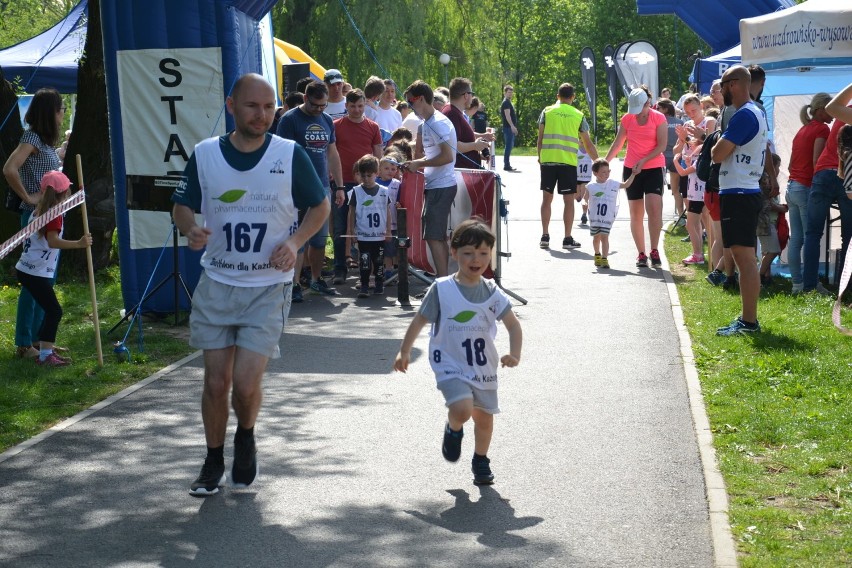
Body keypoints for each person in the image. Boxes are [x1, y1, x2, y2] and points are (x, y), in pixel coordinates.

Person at [172, 74, 330, 496]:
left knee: (243, 385)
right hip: (218, 282)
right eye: (252, 107)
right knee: (214, 382)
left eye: (269, 107)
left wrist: (296, 243)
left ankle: (245, 434)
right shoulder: (206, 154)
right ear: (231, 105)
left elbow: (320, 204)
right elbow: (182, 205)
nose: (262, 115)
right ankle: (211, 461)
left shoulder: (288, 154)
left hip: (267, 287)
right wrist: (191, 229)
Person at [393, 218, 522, 485]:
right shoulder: (442, 289)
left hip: (483, 367)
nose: (476, 259)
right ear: (454, 253)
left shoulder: (493, 293)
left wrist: (514, 353)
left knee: (484, 419)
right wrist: (404, 351)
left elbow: (513, 325)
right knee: (463, 410)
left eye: (483, 253)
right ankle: (454, 428)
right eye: (468, 253)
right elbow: (419, 320)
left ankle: (481, 460)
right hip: (449, 363)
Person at [2, 87, 64, 360]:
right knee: (34, 282)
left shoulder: (47, 142)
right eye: (60, 109)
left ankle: (42, 341)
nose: (63, 114)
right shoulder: (32, 138)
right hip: (36, 217)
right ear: (50, 112)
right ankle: (24, 343)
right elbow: (9, 168)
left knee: (45, 281)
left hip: (50, 217)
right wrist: (27, 196)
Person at [711, 65, 770, 336]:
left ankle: (749, 322)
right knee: (743, 256)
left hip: (740, 192)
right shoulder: (755, 111)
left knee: (744, 258)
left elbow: (717, 153)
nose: (721, 90)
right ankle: (748, 319)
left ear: (733, 84)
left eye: (723, 84)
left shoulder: (744, 114)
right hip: (742, 190)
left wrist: (715, 145)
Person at [276, 80, 345, 299]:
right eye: (315, 105)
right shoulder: (289, 120)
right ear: (305, 98)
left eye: (323, 105)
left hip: (322, 187)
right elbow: (281, 156)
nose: (319, 109)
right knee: (298, 238)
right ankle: (294, 284)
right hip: (296, 189)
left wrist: (340, 186)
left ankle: (316, 279)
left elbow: (332, 153)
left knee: (319, 239)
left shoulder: (326, 120)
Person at [15, 171, 92, 366]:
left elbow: (65, 207)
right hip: (34, 273)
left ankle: (44, 347)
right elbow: (53, 241)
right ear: (64, 193)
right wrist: (79, 243)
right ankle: (45, 355)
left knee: (49, 309)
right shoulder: (53, 216)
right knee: (54, 311)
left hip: (28, 269)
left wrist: (80, 196)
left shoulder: (41, 209)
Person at [604, 86, 667, 268]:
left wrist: (644, 160)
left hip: (653, 167)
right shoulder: (627, 118)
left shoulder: (658, 117)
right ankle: (641, 253)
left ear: (648, 103)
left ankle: (654, 249)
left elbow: (662, 146)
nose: (637, 114)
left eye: (640, 109)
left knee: (654, 209)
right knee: (636, 213)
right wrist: (604, 162)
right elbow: (618, 144)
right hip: (632, 170)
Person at [400, 80, 457, 278]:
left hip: (442, 186)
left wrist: (419, 165)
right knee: (434, 236)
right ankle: (442, 281)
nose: (409, 106)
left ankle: (442, 282)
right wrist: (415, 163)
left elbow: (447, 157)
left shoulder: (438, 124)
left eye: (410, 102)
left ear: (421, 99)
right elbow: (433, 155)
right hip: (436, 185)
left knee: (434, 236)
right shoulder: (428, 123)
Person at [536, 83, 598, 250]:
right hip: (568, 163)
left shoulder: (547, 112)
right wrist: (598, 162)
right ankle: (567, 238)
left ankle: (545, 236)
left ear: (558, 96)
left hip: (548, 161)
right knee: (568, 201)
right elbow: (588, 143)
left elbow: (540, 139)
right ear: (573, 97)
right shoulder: (578, 115)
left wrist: (539, 157)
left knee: (546, 200)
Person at [331, 88, 383, 285]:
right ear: (346, 106)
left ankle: (367, 268)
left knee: (366, 226)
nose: (356, 109)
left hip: (366, 184)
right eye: (352, 106)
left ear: (364, 105)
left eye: (360, 105)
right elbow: (331, 152)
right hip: (342, 182)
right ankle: (339, 268)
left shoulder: (373, 127)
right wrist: (336, 182)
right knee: (340, 226)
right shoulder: (335, 126)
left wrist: (377, 180)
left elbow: (378, 154)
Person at [786, 93, 831, 293]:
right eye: (830, 109)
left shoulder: (802, 129)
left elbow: (790, 163)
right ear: (821, 109)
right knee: (810, 237)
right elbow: (817, 162)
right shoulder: (822, 129)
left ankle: (797, 284)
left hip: (792, 186)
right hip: (805, 187)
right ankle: (811, 284)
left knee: (796, 239)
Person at [348, 155, 392, 297]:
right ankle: (365, 285)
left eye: (369, 175)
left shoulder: (384, 191)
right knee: (364, 261)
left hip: (378, 235)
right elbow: (352, 212)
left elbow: (388, 211)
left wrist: (388, 230)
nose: (366, 179)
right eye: (363, 176)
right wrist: (352, 232)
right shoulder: (356, 191)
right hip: (363, 235)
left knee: (379, 261)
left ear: (376, 174)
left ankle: (379, 283)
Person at [586, 159, 636, 269]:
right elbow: (585, 199)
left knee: (605, 237)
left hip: (607, 218)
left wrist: (633, 174)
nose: (606, 174)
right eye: (603, 172)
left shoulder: (613, 184)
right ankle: (597, 254)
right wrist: (584, 204)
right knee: (596, 238)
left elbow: (626, 185)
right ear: (595, 173)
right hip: (595, 218)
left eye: (608, 171)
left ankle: (604, 259)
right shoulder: (590, 186)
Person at [673, 136, 709, 265]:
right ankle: (700, 253)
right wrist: (688, 163)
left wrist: (675, 161)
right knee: (699, 224)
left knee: (690, 224)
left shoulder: (700, 157)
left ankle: (697, 255)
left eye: (693, 143)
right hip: (698, 194)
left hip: (698, 196)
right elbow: (692, 172)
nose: (690, 146)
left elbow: (683, 173)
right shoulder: (698, 158)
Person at [444, 77, 491, 169]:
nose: (472, 97)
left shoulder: (454, 112)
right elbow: (453, 146)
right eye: (471, 94)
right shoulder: (452, 114)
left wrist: (476, 153)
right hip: (462, 173)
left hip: (465, 169)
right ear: (466, 95)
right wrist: (475, 146)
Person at [758, 154, 787, 288]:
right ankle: (759, 276)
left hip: (768, 220)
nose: (778, 170)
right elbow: (768, 203)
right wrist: (781, 208)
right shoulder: (766, 180)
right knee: (773, 250)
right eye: (777, 166)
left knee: (767, 250)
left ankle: (766, 277)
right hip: (765, 220)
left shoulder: (768, 179)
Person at [657, 98, 685, 223]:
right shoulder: (680, 122)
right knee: (676, 190)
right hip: (676, 157)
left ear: (665, 109)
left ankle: (658, 218)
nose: (656, 110)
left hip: (661, 157)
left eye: (659, 108)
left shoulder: (658, 121)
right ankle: (681, 216)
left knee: (659, 190)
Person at [376, 153, 403, 277]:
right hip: (379, 223)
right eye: (386, 168)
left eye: (393, 169)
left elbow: (400, 199)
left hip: (394, 222)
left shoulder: (397, 184)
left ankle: (396, 269)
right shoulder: (374, 183)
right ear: (379, 170)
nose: (390, 171)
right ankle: (385, 269)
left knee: (394, 247)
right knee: (383, 248)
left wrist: (399, 204)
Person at [500, 85, 519, 172]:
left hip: (509, 127)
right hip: (508, 128)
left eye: (511, 92)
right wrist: (512, 126)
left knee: (510, 146)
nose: (510, 94)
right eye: (509, 92)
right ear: (505, 93)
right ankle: (506, 165)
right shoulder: (506, 103)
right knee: (508, 146)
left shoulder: (508, 102)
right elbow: (507, 116)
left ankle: (507, 164)